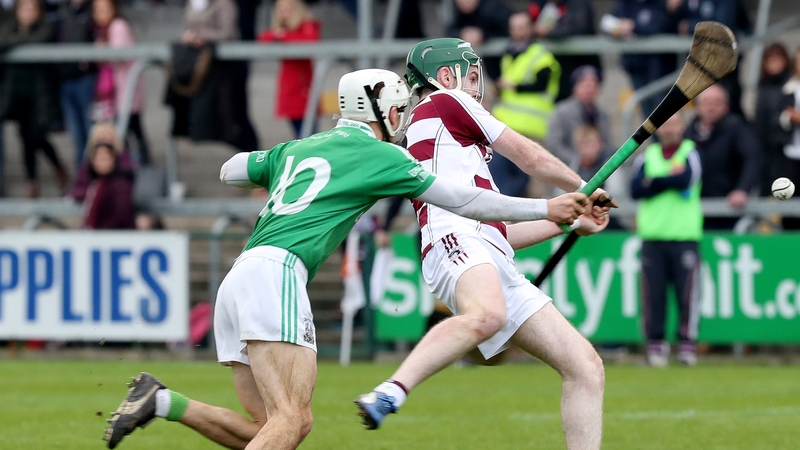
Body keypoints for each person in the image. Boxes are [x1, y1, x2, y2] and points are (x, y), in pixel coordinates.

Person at [103, 68, 601, 450]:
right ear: (377, 110)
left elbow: (231, 169)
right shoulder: (384, 156)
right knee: (293, 421)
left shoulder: (300, 147)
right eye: (399, 111)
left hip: (238, 280)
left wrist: (284, 163)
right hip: (278, 272)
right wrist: (546, 206)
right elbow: (464, 201)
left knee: (268, 428)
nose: (404, 121)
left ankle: (161, 400)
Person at [356, 38, 612, 450]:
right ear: (445, 77)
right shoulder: (446, 102)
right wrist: (585, 188)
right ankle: (391, 390)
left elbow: (499, 234)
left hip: (483, 250)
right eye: (472, 76)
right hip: (455, 239)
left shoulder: (454, 147)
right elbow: (529, 156)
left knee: (585, 367)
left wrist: (569, 222)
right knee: (488, 315)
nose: (479, 88)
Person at [630, 112, 702, 367]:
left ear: (683, 126)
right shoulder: (647, 156)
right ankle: (656, 344)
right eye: (665, 124)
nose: (669, 128)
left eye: (674, 123)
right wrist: (668, 181)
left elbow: (687, 178)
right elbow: (636, 189)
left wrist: (655, 181)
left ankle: (686, 344)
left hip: (684, 235)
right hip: (653, 236)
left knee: (687, 294)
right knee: (654, 295)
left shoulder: (690, 152)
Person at [0, 0, 68, 198]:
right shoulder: (10, 27)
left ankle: (57, 165)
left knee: (36, 136)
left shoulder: (46, 28)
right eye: (24, 9)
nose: (27, 13)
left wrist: (15, 43)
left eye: (31, 9)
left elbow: (40, 39)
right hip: (16, 93)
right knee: (25, 139)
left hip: (40, 94)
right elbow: (2, 40)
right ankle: (32, 182)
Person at [490, 11, 560, 197]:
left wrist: (514, 86)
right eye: (514, 27)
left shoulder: (539, 54)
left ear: (530, 28)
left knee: (536, 178)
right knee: (505, 180)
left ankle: (541, 221)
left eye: (522, 27)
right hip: (507, 128)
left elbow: (543, 83)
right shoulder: (509, 54)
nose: (518, 32)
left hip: (532, 128)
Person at [684, 84, 760, 230]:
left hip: (728, 206)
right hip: (694, 206)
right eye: (706, 102)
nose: (711, 107)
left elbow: (752, 159)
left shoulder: (736, 128)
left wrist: (742, 189)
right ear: (698, 107)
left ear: (726, 106)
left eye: (716, 103)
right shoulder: (689, 132)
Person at [92, 0, 151, 165]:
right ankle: (133, 168)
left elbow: (120, 54)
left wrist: (103, 49)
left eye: (104, 10)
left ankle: (138, 169)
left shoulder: (118, 26)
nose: (99, 15)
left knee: (128, 133)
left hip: (126, 91)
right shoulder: (104, 30)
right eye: (97, 10)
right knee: (131, 133)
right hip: (122, 92)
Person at [601, 0, 683, 117]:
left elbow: (660, 26)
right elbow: (607, 23)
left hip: (661, 68)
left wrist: (633, 27)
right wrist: (617, 29)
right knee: (647, 112)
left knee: (663, 111)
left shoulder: (660, 3)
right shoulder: (626, 3)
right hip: (635, 66)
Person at [258, 0, 320, 139]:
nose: (285, 13)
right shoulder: (280, 31)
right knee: (299, 134)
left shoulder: (306, 26)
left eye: (289, 9)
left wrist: (282, 35)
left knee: (309, 135)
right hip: (289, 89)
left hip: (304, 88)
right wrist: (280, 34)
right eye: (281, 9)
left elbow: (310, 41)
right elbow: (263, 39)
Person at [528, 0, 602, 102]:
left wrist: (549, 32)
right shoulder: (543, 5)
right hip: (556, 71)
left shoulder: (579, 4)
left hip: (579, 67)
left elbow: (578, 27)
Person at [546, 65, 612, 171]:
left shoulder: (602, 114)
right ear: (575, 87)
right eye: (585, 85)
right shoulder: (561, 111)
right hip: (567, 169)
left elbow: (606, 144)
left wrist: (596, 158)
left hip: (597, 168)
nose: (589, 89)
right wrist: (578, 160)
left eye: (593, 85)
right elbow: (554, 145)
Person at [58, 0, 97, 167]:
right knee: (77, 137)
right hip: (66, 79)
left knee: (92, 134)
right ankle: (82, 180)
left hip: (86, 79)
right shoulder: (62, 12)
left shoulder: (93, 11)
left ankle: (94, 176)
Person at [754, 43, 793, 197]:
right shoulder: (762, 86)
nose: (774, 63)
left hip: (784, 151)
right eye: (770, 59)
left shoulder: (791, 86)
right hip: (765, 149)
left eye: (778, 58)